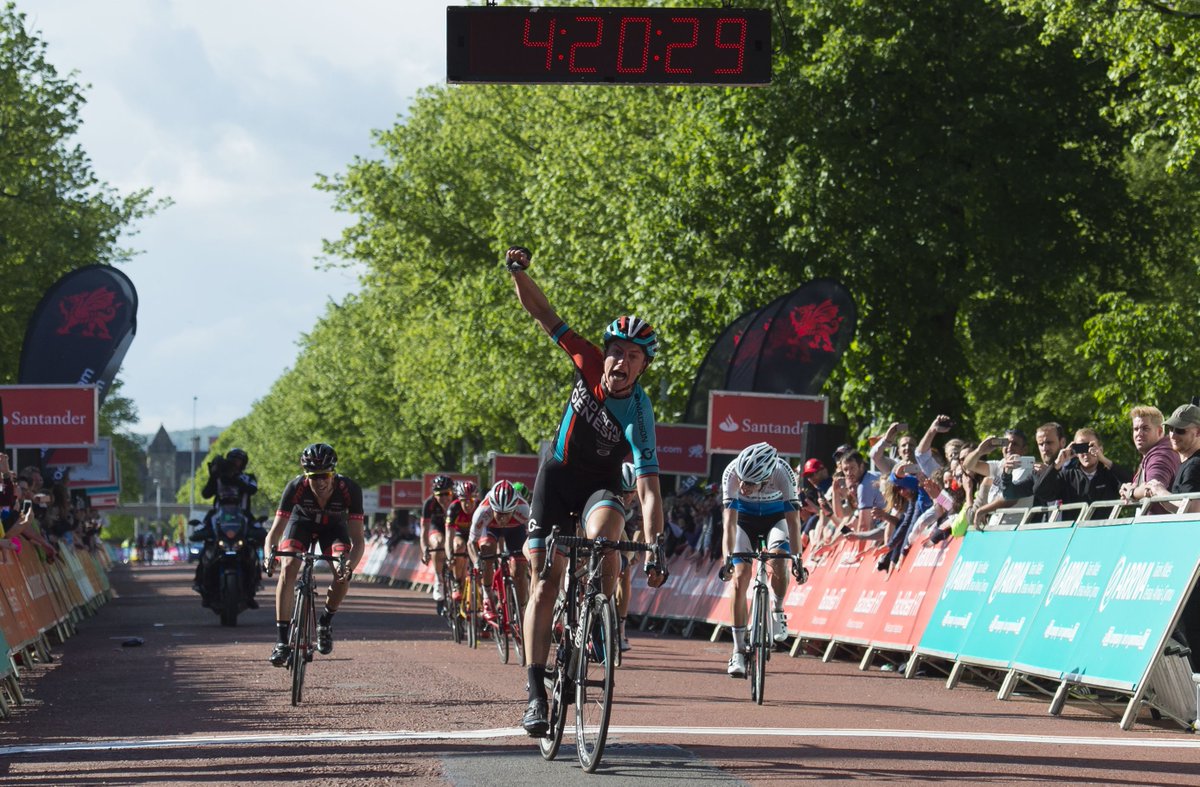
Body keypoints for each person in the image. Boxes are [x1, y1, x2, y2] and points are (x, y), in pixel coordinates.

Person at [504, 244, 667, 736]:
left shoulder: (640, 414)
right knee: (545, 579)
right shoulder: (588, 359)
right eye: (616, 350)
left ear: (641, 367)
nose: (619, 361)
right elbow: (542, 311)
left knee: (607, 533)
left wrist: (655, 545)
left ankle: (600, 611)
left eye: (631, 356)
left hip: (598, 486)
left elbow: (649, 489)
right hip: (555, 478)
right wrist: (517, 272)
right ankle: (535, 694)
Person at [263, 443, 364, 666]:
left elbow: (358, 539)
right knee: (288, 567)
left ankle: (325, 621)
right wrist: (269, 556)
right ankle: (281, 642)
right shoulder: (295, 487)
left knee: (341, 572)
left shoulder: (350, 489)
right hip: (301, 525)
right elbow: (275, 532)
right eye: (314, 476)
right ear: (306, 475)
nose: (320, 482)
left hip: (334, 530)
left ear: (333, 472)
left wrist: (349, 565)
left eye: (325, 475)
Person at [720, 442, 802, 678]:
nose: (744, 486)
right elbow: (729, 524)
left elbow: (794, 522)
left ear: (766, 479)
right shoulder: (732, 473)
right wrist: (728, 558)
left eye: (751, 483)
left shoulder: (783, 474)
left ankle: (777, 608)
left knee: (778, 559)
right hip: (743, 520)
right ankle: (737, 650)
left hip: (776, 517)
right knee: (740, 577)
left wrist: (797, 558)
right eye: (743, 481)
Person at [194, 448, 260, 607]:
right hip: (219, 520)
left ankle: (251, 589)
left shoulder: (247, 478)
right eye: (233, 461)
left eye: (239, 461)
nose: (236, 464)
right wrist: (213, 476)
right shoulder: (219, 478)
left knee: (252, 550)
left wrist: (234, 478)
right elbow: (206, 494)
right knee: (207, 548)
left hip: (242, 518)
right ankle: (202, 584)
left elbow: (252, 488)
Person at [467, 480, 530, 624]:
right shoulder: (483, 510)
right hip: (490, 528)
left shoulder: (524, 509)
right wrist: (477, 562)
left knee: (520, 568)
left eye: (506, 514)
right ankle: (487, 597)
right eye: (499, 514)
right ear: (492, 508)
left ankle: (521, 611)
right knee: (487, 550)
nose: (502, 518)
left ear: (514, 508)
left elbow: (532, 537)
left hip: (515, 529)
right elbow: (471, 542)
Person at [1119, 405, 1180, 514]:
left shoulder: (1161, 455)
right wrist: (1128, 489)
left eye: (1145, 428)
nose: (1139, 433)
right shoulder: (1152, 452)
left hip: (1160, 526)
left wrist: (1132, 493)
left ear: (1160, 431)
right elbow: (1144, 486)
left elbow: (1151, 487)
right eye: (1136, 429)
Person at [615, 462, 644, 652]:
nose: (626, 496)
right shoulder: (608, 494)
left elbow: (642, 528)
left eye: (630, 492)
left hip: (629, 530)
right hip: (609, 526)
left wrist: (635, 549)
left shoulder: (641, 500)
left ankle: (621, 629)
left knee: (625, 573)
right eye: (622, 491)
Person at [419, 474, 455, 605]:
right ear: (434, 494)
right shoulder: (429, 504)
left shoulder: (458, 501)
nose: (444, 498)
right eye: (440, 494)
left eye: (447, 493)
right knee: (438, 542)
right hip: (437, 527)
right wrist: (424, 550)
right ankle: (439, 579)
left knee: (458, 546)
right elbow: (424, 531)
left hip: (455, 527)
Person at [444, 480, 479, 605]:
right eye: (464, 501)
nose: (468, 505)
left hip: (475, 535)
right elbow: (449, 536)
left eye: (471, 500)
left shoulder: (481, 507)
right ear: (459, 500)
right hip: (459, 534)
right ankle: (457, 582)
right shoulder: (454, 508)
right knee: (459, 546)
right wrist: (449, 556)